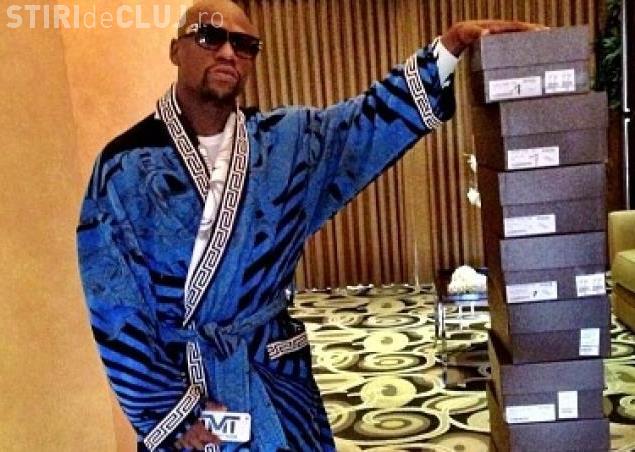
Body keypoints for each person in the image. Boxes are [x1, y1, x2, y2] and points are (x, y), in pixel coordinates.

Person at [76, 1, 543, 450]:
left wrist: (449, 47)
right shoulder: (123, 168)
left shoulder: (285, 144)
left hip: (274, 377)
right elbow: (113, 304)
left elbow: (363, 124)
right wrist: (167, 412)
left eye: (244, 44)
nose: (228, 52)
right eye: (210, 37)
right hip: (184, 386)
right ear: (176, 49)